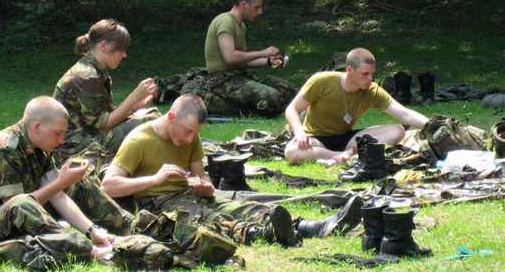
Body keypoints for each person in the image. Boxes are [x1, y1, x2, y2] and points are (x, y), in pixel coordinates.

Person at [100, 94, 362, 247]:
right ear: (171, 118)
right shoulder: (139, 140)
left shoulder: (191, 138)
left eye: (196, 133)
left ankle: (312, 226)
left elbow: (201, 177)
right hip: (159, 203)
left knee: (252, 207)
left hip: (190, 195)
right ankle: (266, 234)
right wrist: (155, 179)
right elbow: (108, 186)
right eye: (187, 131)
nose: (191, 139)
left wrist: (205, 186)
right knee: (208, 220)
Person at [0, 96, 136, 264]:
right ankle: (85, 249)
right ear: (37, 126)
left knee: (78, 183)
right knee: (22, 202)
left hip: (25, 213)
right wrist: (61, 182)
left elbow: (57, 195)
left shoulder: (39, 147)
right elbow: (16, 207)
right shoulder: (3, 149)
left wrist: (91, 230)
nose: (61, 141)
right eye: (58, 134)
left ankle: (130, 229)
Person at [284, 47, 430, 164]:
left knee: (397, 131)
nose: (370, 79)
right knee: (291, 152)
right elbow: (292, 109)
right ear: (349, 70)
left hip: (348, 139)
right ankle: (339, 156)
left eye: (372, 74)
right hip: (316, 139)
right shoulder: (322, 81)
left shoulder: (372, 90)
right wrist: (299, 132)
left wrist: (434, 127)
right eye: (365, 74)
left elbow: (406, 114)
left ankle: (348, 154)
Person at [53, 19, 159, 167]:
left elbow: (103, 117)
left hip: (85, 138)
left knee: (150, 117)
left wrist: (134, 107)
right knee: (151, 121)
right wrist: (134, 97)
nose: (124, 55)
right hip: (74, 149)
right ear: (103, 45)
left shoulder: (94, 70)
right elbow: (102, 125)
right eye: (120, 49)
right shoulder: (86, 77)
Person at [190, 0, 297, 117]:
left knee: (289, 88)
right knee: (271, 96)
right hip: (223, 81)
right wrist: (262, 53)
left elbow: (244, 61)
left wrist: (269, 61)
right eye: (257, 7)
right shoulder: (225, 21)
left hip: (239, 75)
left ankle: (265, 107)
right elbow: (230, 58)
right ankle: (257, 108)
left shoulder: (241, 25)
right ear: (244, 4)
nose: (260, 12)